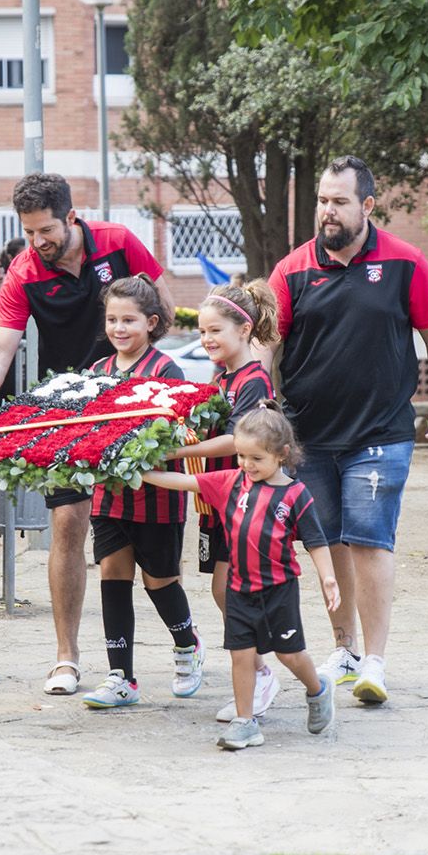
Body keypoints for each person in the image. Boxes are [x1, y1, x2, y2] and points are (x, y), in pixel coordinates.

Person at [0, 173, 177, 695]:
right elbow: (0, 349)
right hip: (70, 412)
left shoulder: (119, 243)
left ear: (71, 217)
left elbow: (165, 308)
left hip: (130, 404)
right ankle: (67, 657)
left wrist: (143, 372)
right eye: (28, 232)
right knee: (66, 523)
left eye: (46, 230)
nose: (38, 241)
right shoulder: (23, 273)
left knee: (148, 539)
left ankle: (184, 645)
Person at [268, 155, 428, 705]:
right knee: (330, 542)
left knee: (369, 538)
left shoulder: (405, 262)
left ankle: (374, 661)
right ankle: (345, 649)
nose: (327, 211)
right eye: (322, 201)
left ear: (367, 205)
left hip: (381, 432)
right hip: (309, 436)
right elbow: (266, 342)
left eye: (340, 202)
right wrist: (259, 402)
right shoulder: (292, 270)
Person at [143, 406, 339, 750]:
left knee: (289, 654)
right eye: (241, 456)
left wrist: (328, 579)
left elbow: (316, 542)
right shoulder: (231, 482)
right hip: (238, 589)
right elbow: (185, 482)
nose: (247, 464)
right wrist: (140, 473)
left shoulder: (296, 495)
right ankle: (245, 722)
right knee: (241, 655)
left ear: (282, 454)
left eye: (256, 458)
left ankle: (318, 690)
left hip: (279, 590)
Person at [78, 279, 200, 709]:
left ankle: (187, 646)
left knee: (159, 581)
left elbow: (172, 431)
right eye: (112, 319)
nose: (119, 328)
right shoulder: (96, 372)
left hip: (158, 496)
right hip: (108, 495)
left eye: (128, 320)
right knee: (112, 576)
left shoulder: (167, 370)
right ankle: (121, 677)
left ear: (151, 322)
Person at [166, 282, 282, 722]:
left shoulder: (254, 380)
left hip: (246, 501)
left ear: (244, 329)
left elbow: (238, 439)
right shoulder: (222, 379)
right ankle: (260, 669)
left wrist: (180, 452)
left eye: (215, 330)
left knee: (232, 592)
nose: (206, 339)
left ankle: (262, 673)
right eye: (201, 332)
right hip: (220, 500)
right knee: (224, 591)